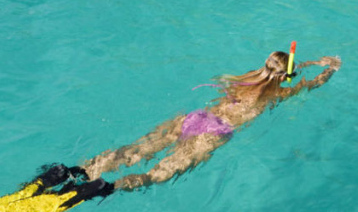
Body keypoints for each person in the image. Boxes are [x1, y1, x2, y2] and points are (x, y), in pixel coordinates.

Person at [78, 50, 341, 193]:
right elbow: (313, 84)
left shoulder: (246, 79)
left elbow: (278, 69)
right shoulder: (279, 94)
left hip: (197, 118)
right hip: (215, 133)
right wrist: (329, 68)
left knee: (133, 152)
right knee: (158, 173)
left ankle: (82, 170)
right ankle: (109, 188)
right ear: (286, 77)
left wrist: (310, 61)